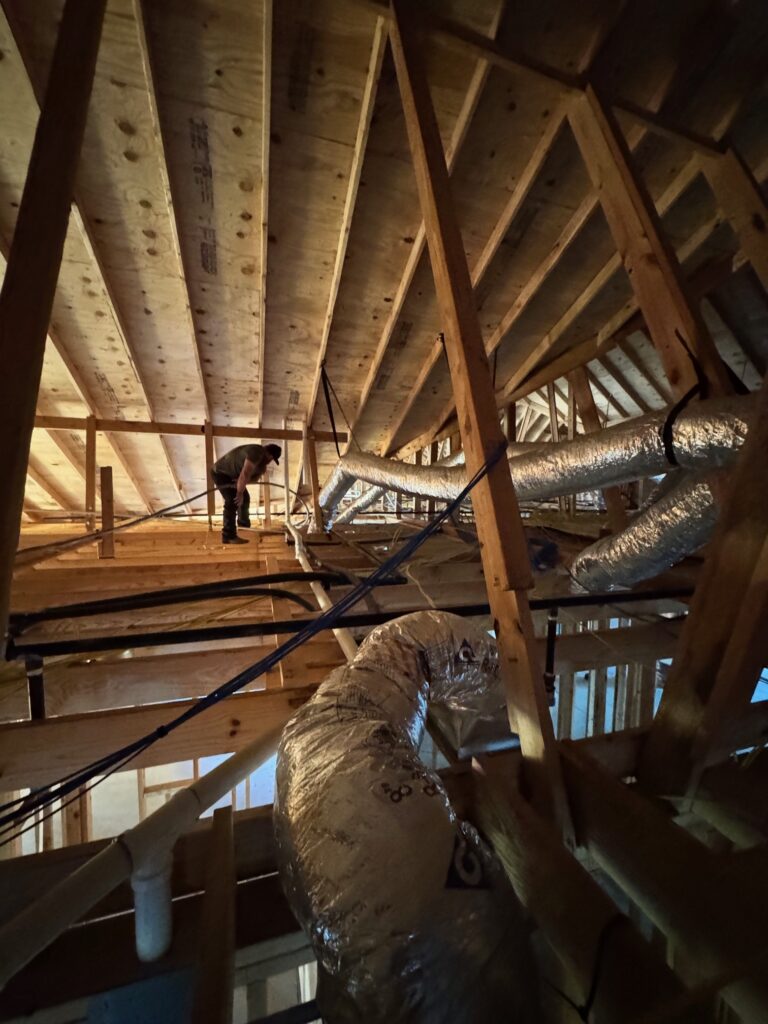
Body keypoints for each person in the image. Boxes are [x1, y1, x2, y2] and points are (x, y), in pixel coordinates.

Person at [211, 443, 281, 544]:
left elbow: (253, 479)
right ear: (270, 456)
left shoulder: (261, 464)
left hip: (232, 476)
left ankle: (244, 527)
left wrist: (240, 482)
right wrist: (239, 492)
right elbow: (245, 473)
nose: (270, 462)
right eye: (271, 459)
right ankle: (228, 536)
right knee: (232, 500)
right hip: (220, 472)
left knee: (245, 498)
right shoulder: (256, 452)